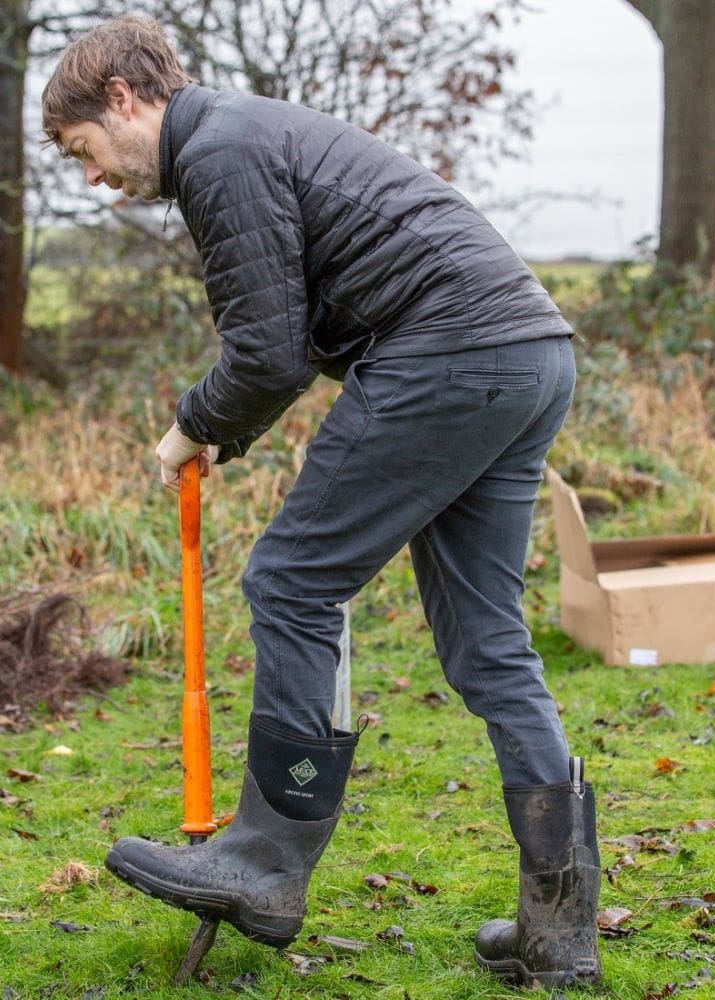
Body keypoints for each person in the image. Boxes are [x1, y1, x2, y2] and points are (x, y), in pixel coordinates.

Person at [42, 15, 602, 989]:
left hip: (451, 352)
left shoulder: (216, 151)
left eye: (84, 152)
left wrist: (191, 422)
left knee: (293, 581)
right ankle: (559, 929)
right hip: (527, 353)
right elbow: (284, 338)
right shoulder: (246, 138)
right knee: (485, 643)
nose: (93, 178)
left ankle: (263, 861)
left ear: (124, 101)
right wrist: (226, 425)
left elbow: (267, 351)